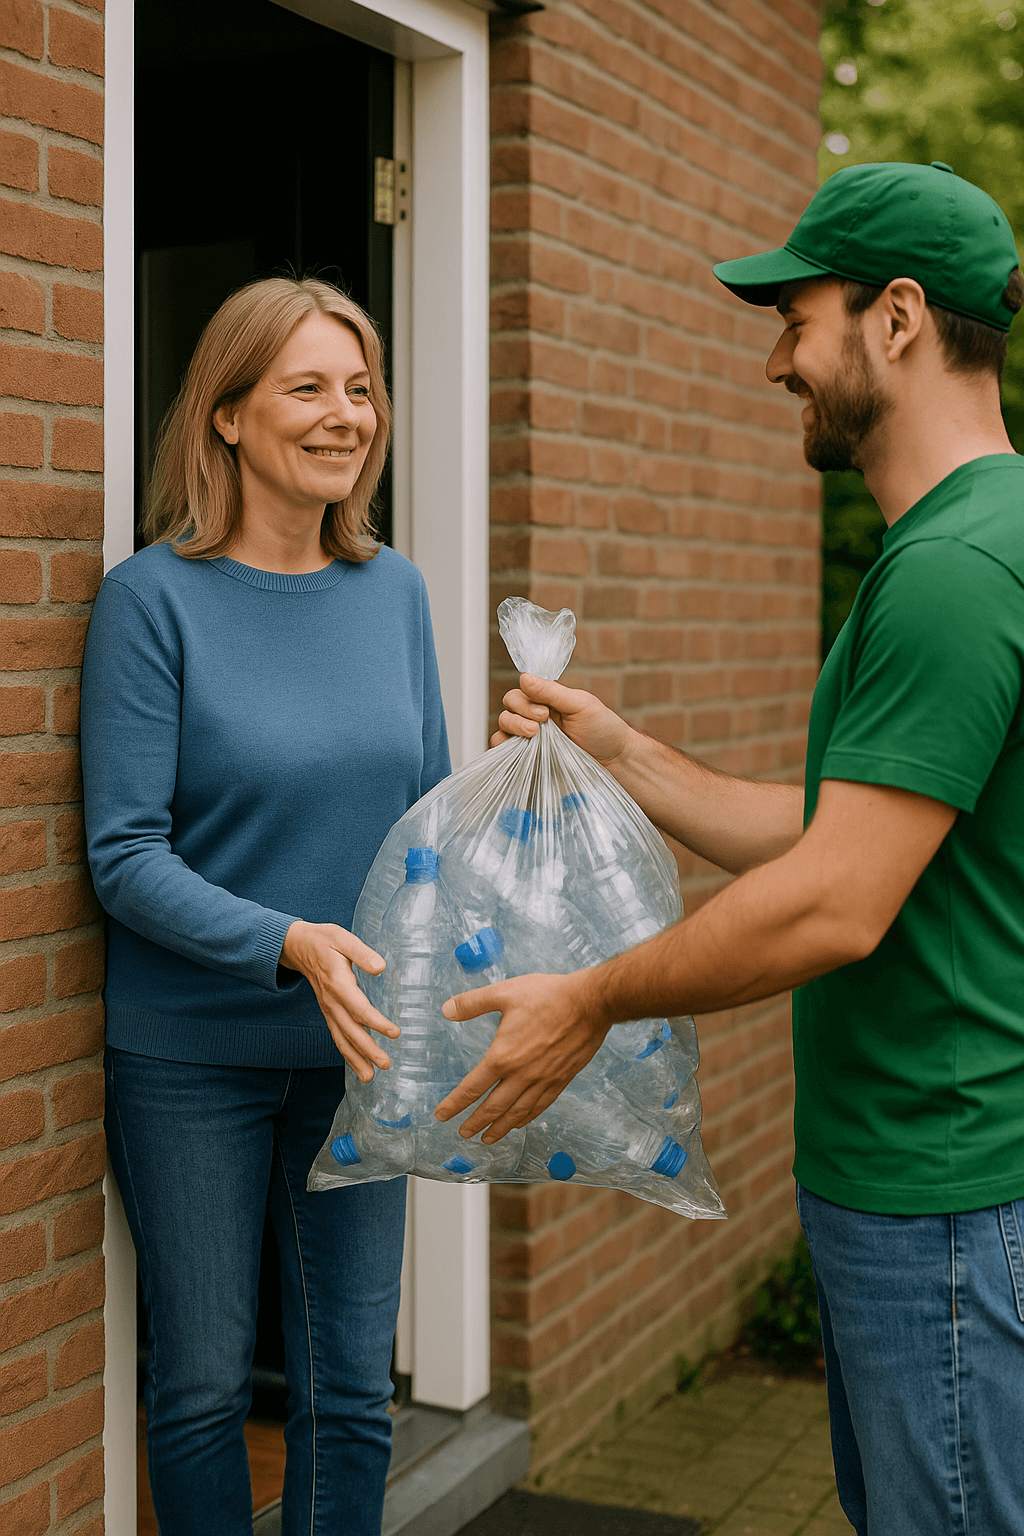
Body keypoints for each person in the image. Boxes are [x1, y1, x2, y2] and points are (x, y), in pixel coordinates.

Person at [435, 162, 1024, 1534]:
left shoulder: (955, 570)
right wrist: (621, 751)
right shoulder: (962, 542)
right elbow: (840, 832)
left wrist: (585, 1001)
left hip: (941, 1197)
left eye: (794, 320)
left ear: (895, 317)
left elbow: (833, 904)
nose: (775, 362)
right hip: (927, 1189)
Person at [81, 277, 450, 1536]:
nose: (346, 415)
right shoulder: (151, 601)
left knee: (351, 1394)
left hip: (360, 1057)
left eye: (360, 389)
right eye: (309, 387)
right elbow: (124, 855)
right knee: (197, 1389)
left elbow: (427, 826)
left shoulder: (393, 592)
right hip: (190, 1058)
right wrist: (284, 942)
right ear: (227, 415)